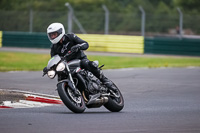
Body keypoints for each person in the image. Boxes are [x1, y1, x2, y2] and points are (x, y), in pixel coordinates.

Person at [45, 22, 116, 91]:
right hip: (67, 65)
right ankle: (67, 92)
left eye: (54, 34)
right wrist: (48, 68)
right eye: (51, 35)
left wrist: (78, 46)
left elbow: (85, 44)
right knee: (60, 76)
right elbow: (54, 59)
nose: (53, 36)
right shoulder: (53, 48)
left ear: (60, 32)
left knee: (89, 64)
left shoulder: (71, 37)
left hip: (79, 59)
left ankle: (105, 81)